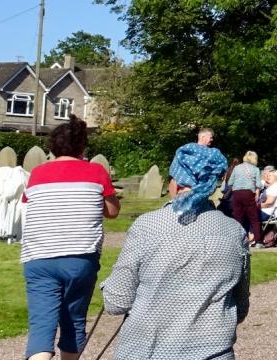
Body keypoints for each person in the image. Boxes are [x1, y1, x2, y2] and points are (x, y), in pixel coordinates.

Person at [101, 143, 250, 359]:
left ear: (177, 183)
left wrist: (107, 287)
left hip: (147, 351)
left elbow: (117, 302)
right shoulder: (234, 232)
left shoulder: (148, 226)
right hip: (213, 352)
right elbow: (240, 305)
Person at [21, 116, 120, 360]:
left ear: (51, 147)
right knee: (74, 320)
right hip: (80, 257)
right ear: (82, 147)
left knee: (42, 324)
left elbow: (28, 203)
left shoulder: (37, 174)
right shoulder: (96, 172)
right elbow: (113, 212)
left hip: (39, 257)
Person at [227, 151, 262, 245]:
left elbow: (230, 183)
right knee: (254, 218)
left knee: (238, 217)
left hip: (237, 194)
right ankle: (258, 241)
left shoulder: (237, 168)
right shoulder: (256, 169)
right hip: (249, 194)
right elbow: (259, 184)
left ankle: (238, 240)